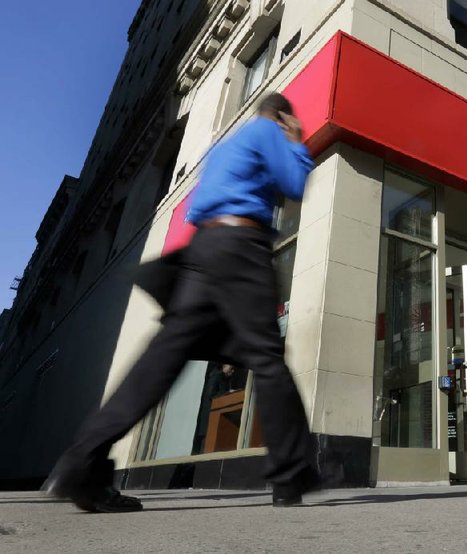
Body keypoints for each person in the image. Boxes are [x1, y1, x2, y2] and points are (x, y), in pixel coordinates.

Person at [46, 93, 318, 512]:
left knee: (162, 358)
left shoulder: (228, 145)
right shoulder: (269, 132)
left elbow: (195, 209)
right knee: (266, 356)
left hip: (202, 250)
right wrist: (296, 144)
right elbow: (294, 184)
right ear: (281, 116)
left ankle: (79, 462)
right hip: (241, 245)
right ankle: (291, 475)